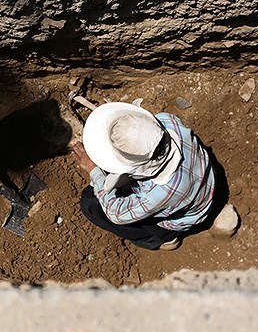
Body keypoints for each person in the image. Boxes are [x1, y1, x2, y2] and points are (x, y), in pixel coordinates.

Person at [69, 101, 216, 251]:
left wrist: (94, 169)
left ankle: (165, 238)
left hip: (185, 215)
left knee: (91, 203)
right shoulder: (168, 121)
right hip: (204, 184)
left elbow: (116, 214)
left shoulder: (157, 193)